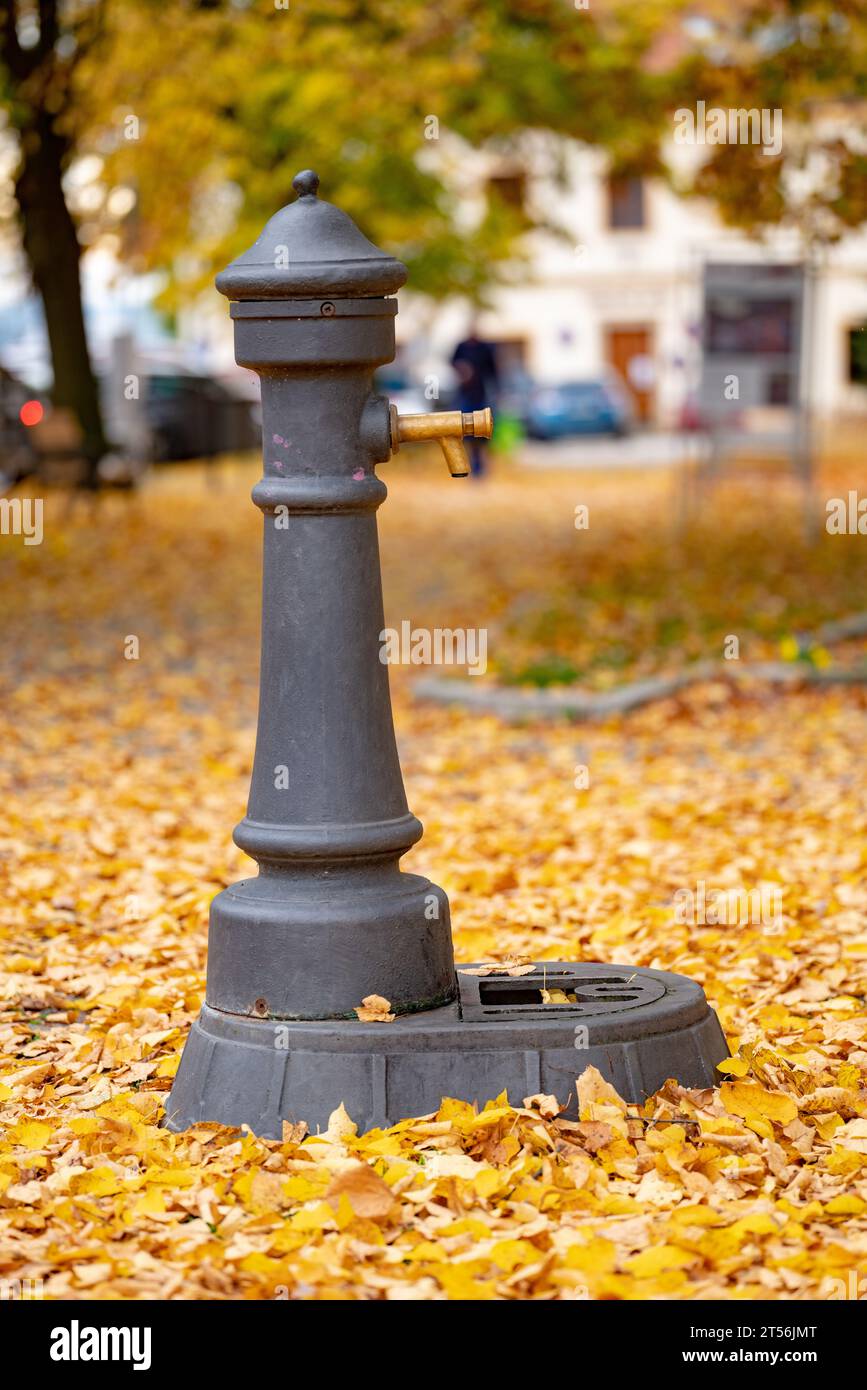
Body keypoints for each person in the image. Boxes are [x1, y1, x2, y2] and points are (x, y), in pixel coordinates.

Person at [450, 323, 498, 477]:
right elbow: (452, 363)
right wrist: (462, 370)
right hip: (465, 395)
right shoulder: (461, 347)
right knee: (465, 432)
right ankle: (472, 467)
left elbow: (494, 371)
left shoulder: (485, 348)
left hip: (481, 394)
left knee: (483, 433)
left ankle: (483, 468)